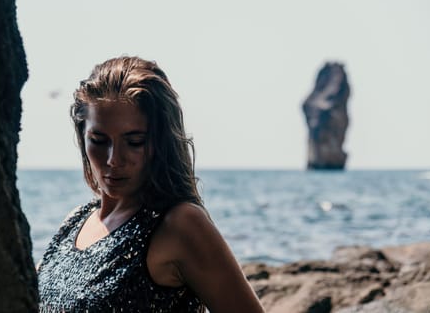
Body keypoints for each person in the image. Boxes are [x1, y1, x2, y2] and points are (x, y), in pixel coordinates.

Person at [37, 56, 264, 312]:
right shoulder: (74, 222)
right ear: (83, 137)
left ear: (161, 142)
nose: (113, 159)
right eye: (99, 140)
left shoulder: (180, 224)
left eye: (134, 142)